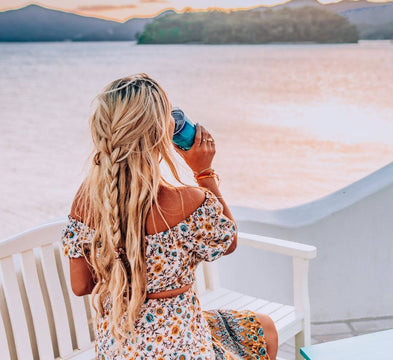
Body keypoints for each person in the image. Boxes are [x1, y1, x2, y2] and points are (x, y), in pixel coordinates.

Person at [60, 73, 278, 359]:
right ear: (161, 133)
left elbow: (81, 286)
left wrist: (126, 276)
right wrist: (204, 171)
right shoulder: (187, 201)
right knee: (265, 327)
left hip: (120, 351)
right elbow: (228, 241)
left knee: (254, 326)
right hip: (183, 345)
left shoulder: (86, 200)